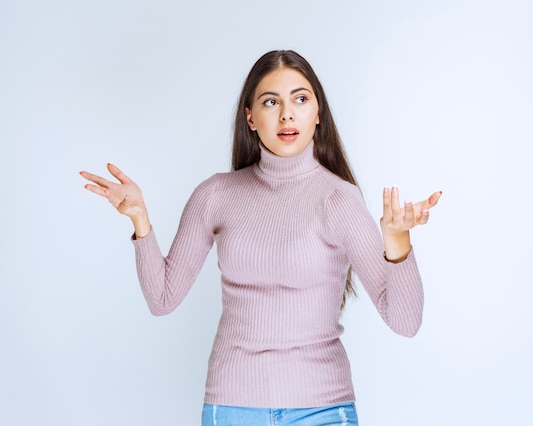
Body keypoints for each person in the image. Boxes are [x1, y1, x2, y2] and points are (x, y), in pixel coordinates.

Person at [80, 49, 441, 426]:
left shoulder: (339, 199)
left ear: (318, 114)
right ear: (250, 118)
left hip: (322, 409)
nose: (287, 114)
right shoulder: (216, 194)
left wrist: (398, 243)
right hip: (232, 408)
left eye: (301, 99)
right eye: (271, 102)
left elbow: (404, 322)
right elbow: (163, 298)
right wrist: (140, 219)